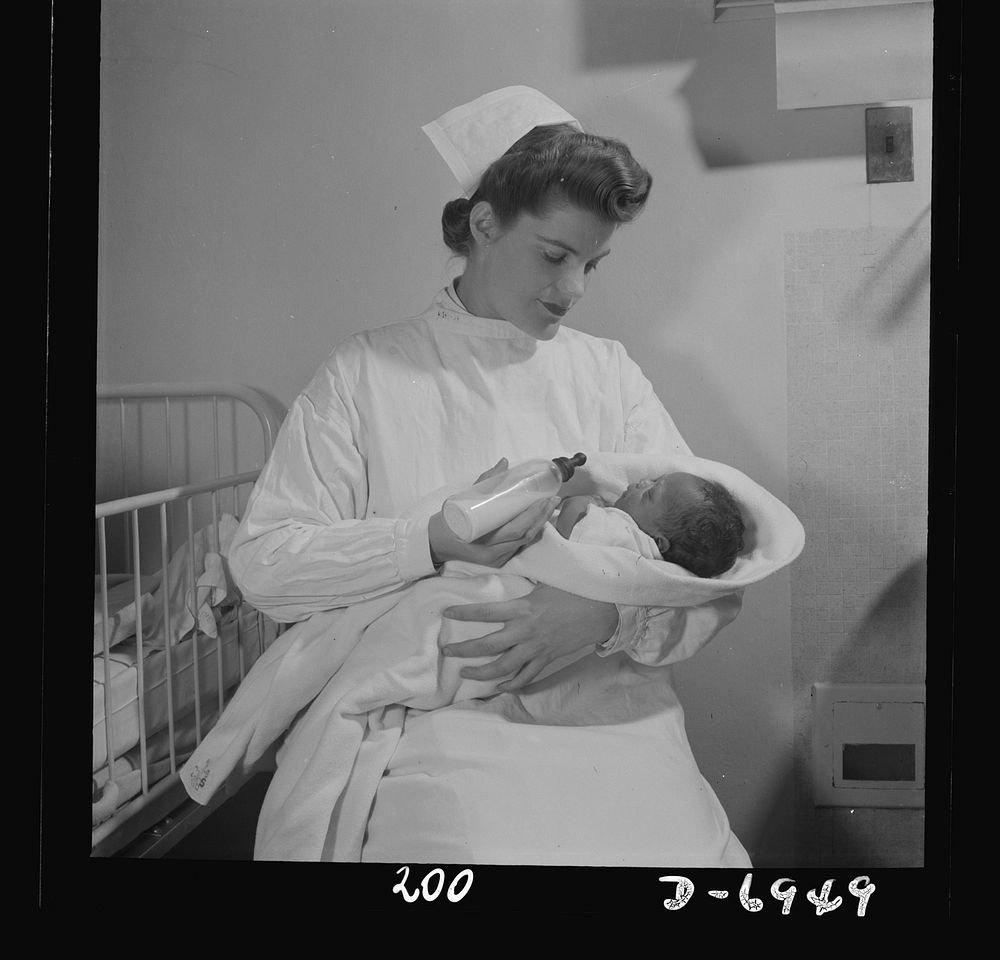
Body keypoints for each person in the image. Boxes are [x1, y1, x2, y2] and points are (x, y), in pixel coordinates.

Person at [227, 85, 752, 866]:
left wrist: (603, 619)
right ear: (482, 224)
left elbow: (717, 580)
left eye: (592, 265)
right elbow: (264, 567)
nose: (573, 290)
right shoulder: (364, 375)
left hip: (605, 703)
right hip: (438, 711)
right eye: (554, 255)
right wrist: (428, 541)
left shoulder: (607, 374)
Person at [555, 471, 746, 578]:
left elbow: (570, 523)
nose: (643, 481)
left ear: (658, 540)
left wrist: (582, 501)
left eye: (649, 493)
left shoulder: (629, 537)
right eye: (653, 481)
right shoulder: (649, 561)